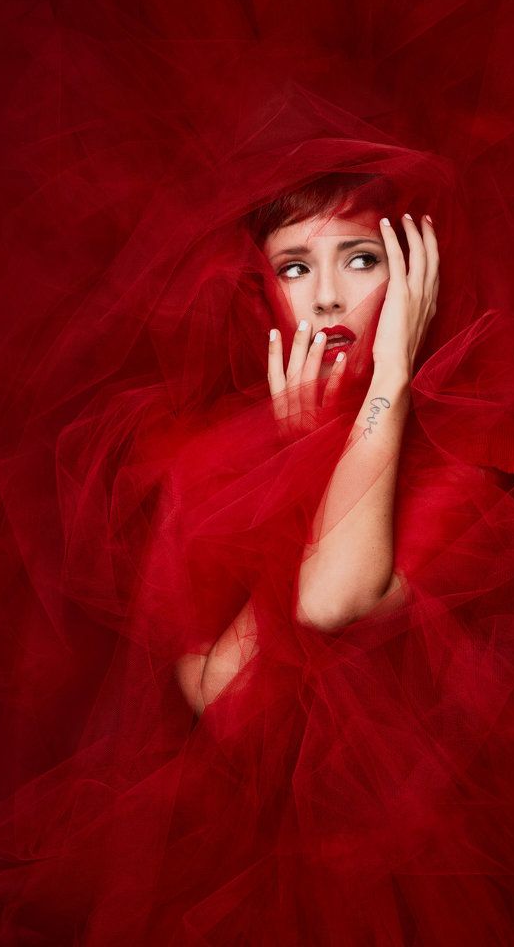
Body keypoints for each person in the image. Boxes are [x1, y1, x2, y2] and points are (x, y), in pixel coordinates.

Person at [175, 174, 439, 714]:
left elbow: (328, 604)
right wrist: (305, 462)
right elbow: (214, 700)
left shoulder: (467, 440)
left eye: (362, 259)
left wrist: (391, 376)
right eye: (294, 268)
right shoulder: (214, 456)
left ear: (415, 275)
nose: (326, 298)